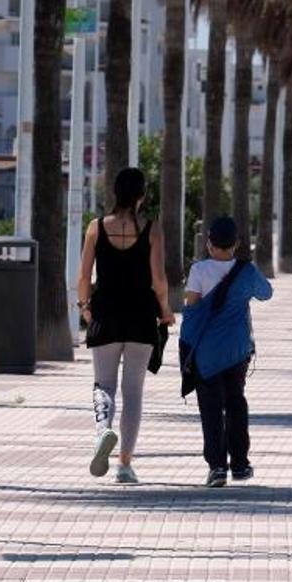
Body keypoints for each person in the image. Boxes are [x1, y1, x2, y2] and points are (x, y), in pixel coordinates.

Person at [77, 168, 175, 484]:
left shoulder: (96, 228)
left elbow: (83, 276)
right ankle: (124, 465)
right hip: (140, 316)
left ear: (114, 193)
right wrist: (165, 310)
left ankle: (103, 430)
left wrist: (85, 308)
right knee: (133, 392)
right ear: (141, 195)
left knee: (102, 385)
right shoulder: (152, 229)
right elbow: (159, 279)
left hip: (105, 312)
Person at [181, 217, 273, 488]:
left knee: (210, 409)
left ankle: (217, 467)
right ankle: (241, 464)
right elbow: (266, 293)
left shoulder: (198, 270)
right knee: (236, 403)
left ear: (209, 244)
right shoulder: (246, 270)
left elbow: (193, 309)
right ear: (237, 244)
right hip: (237, 351)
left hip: (206, 354)